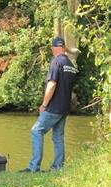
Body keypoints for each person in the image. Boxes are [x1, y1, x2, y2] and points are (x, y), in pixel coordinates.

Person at [20, 37, 77, 173]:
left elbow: (52, 84)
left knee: (36, 131)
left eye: (52, 48)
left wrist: (44, 105)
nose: (51, 50)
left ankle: (34, 167)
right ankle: (57, 168)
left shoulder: (56, 62)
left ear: (55, 48)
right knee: (58, 137)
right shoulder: (70, 65)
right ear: (63, 47)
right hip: (65, 108)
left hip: (53, 107)